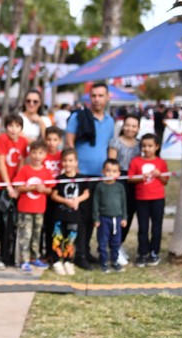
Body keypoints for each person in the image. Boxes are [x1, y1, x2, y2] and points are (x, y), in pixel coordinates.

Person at [65, 82, 115, 270]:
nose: (97, 99)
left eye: (101, 96)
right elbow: (69, 141)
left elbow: (109, 145)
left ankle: (86, 250)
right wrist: (73, 169)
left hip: (100, 176)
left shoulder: (110, 121)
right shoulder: (78, 116)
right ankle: (79, 254)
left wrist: (111, 171)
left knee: (94, 216)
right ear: (89, 97)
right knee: (81, 217)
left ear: (107, 97)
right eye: (93, 96)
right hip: (81, 175)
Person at [0, 113, 28, 269]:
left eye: (17, 126)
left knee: (8, 223)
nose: (13, 129)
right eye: (10, 125)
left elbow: (22, 163)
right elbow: (1, 163)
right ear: (6, 127)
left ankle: (6, 255)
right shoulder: (2, 139)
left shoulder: (23, 141)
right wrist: (8, 185)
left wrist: (17, 185)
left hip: (13, 188)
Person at [13, 139, 54, 274]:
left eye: (41, 153)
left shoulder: (46, 172)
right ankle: (23, 261)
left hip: (39, 210)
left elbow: (50, 190)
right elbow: (18, 186)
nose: (37, 156)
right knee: (25, 235)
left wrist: (43, 189)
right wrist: (30, 188)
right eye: (34, 152)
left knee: (37, 235)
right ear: (30, 154)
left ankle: (33, 257)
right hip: (25, 209)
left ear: (45, 155)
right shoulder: (25, 170)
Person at [128, 133, 168, 268]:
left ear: (156, 147)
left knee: (156, 227)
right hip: (141, 199)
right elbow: (130, 178)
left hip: (158, 199)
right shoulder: (136, 161)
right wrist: (141, 177)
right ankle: (142, 253)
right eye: (144, 146)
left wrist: (159, 175)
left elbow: (165, 181)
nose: (147, 149)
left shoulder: (161, 163)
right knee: (143, 228)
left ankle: (154, 252)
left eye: (150, 146)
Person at [107, 114, 141, 265]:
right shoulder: (115, 142)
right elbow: (111, 163)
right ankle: (113, 247)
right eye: (128, 125)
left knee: (129, 214)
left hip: (135, 181)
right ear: (123, 126)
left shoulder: (140, 144)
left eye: (134, 126)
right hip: (119, 181)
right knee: (118, 215)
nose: (130, 129)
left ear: (138, 128)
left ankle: (119, 244)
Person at [50, 149, 90, 276]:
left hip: (74, 217)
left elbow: (86, 193)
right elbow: (53, 195)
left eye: (71, 161)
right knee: (57, 239)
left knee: (70, 240)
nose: (68, 164)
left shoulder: (82, 179)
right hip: (59, 216)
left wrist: (77, 200)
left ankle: (68, 261)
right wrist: (66, 201)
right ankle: (56, 261)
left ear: (76, 162)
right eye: (65, 161)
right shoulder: (59, 178)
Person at [92, 159, 127, 273]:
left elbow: (123, 203)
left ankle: (115, 261)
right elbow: (95, 203)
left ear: (118, 173)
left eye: (114, 171)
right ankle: (103, 262)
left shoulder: (119, 187)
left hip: (117, 219)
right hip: (103, 219)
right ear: (103, 171)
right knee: (103, 241)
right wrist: (96, 218)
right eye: (108, 170)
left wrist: (124, 217)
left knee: (115, 242)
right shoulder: (100, 186)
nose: (110, 173)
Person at [41, 126, 62, 262]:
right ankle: (45, 252)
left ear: (59, 141)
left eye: (55, 140)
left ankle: (56, 253)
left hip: (58, 195)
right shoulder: (42, 155)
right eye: (49, 139)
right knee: (45, 226)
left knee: (56, 226)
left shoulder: (62, 156)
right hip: (44, 195)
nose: (51, 143)